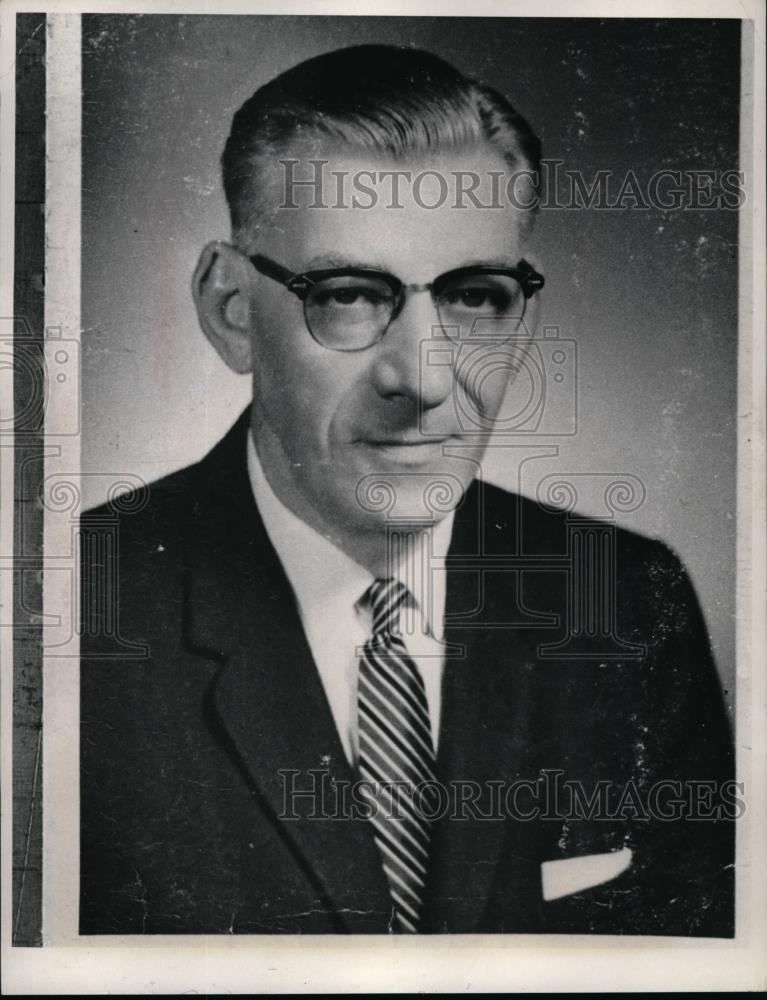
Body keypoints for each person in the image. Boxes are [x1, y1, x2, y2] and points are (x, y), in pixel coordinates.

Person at [79, 44, 735, 936]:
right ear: (231, 308)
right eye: (349, 296)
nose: (422, 381)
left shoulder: (626, 600)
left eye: (473, 297)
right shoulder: (62, 613)